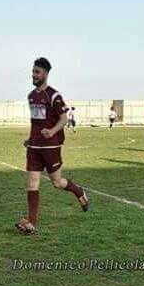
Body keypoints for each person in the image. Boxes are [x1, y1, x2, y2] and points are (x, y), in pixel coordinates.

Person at [16, 58, 89, 235]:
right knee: (32, 182)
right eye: (33, 71)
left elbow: (64, 118)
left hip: (51, 147)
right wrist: (30, 138)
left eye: (37, 72)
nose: (33, 75)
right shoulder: (31, 96)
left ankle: (78, 191)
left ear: (46, 74)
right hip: (34, 147)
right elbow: (36, 122)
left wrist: (53, 130)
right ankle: (31, 223)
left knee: (57, 183)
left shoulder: (54, 96)